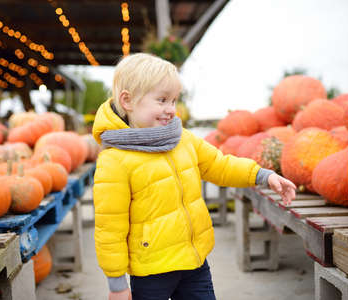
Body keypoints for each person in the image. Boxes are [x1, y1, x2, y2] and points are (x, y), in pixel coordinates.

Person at [92, 53, 296, 300]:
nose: (170, 110)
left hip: (194, 262)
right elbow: (109, 227)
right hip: (151, 270)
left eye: (174, 100)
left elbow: (220, 165)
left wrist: (262, 175)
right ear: (128, 100)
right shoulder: (114, 159)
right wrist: (117, 284)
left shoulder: (182, 140)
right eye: (162, 100)